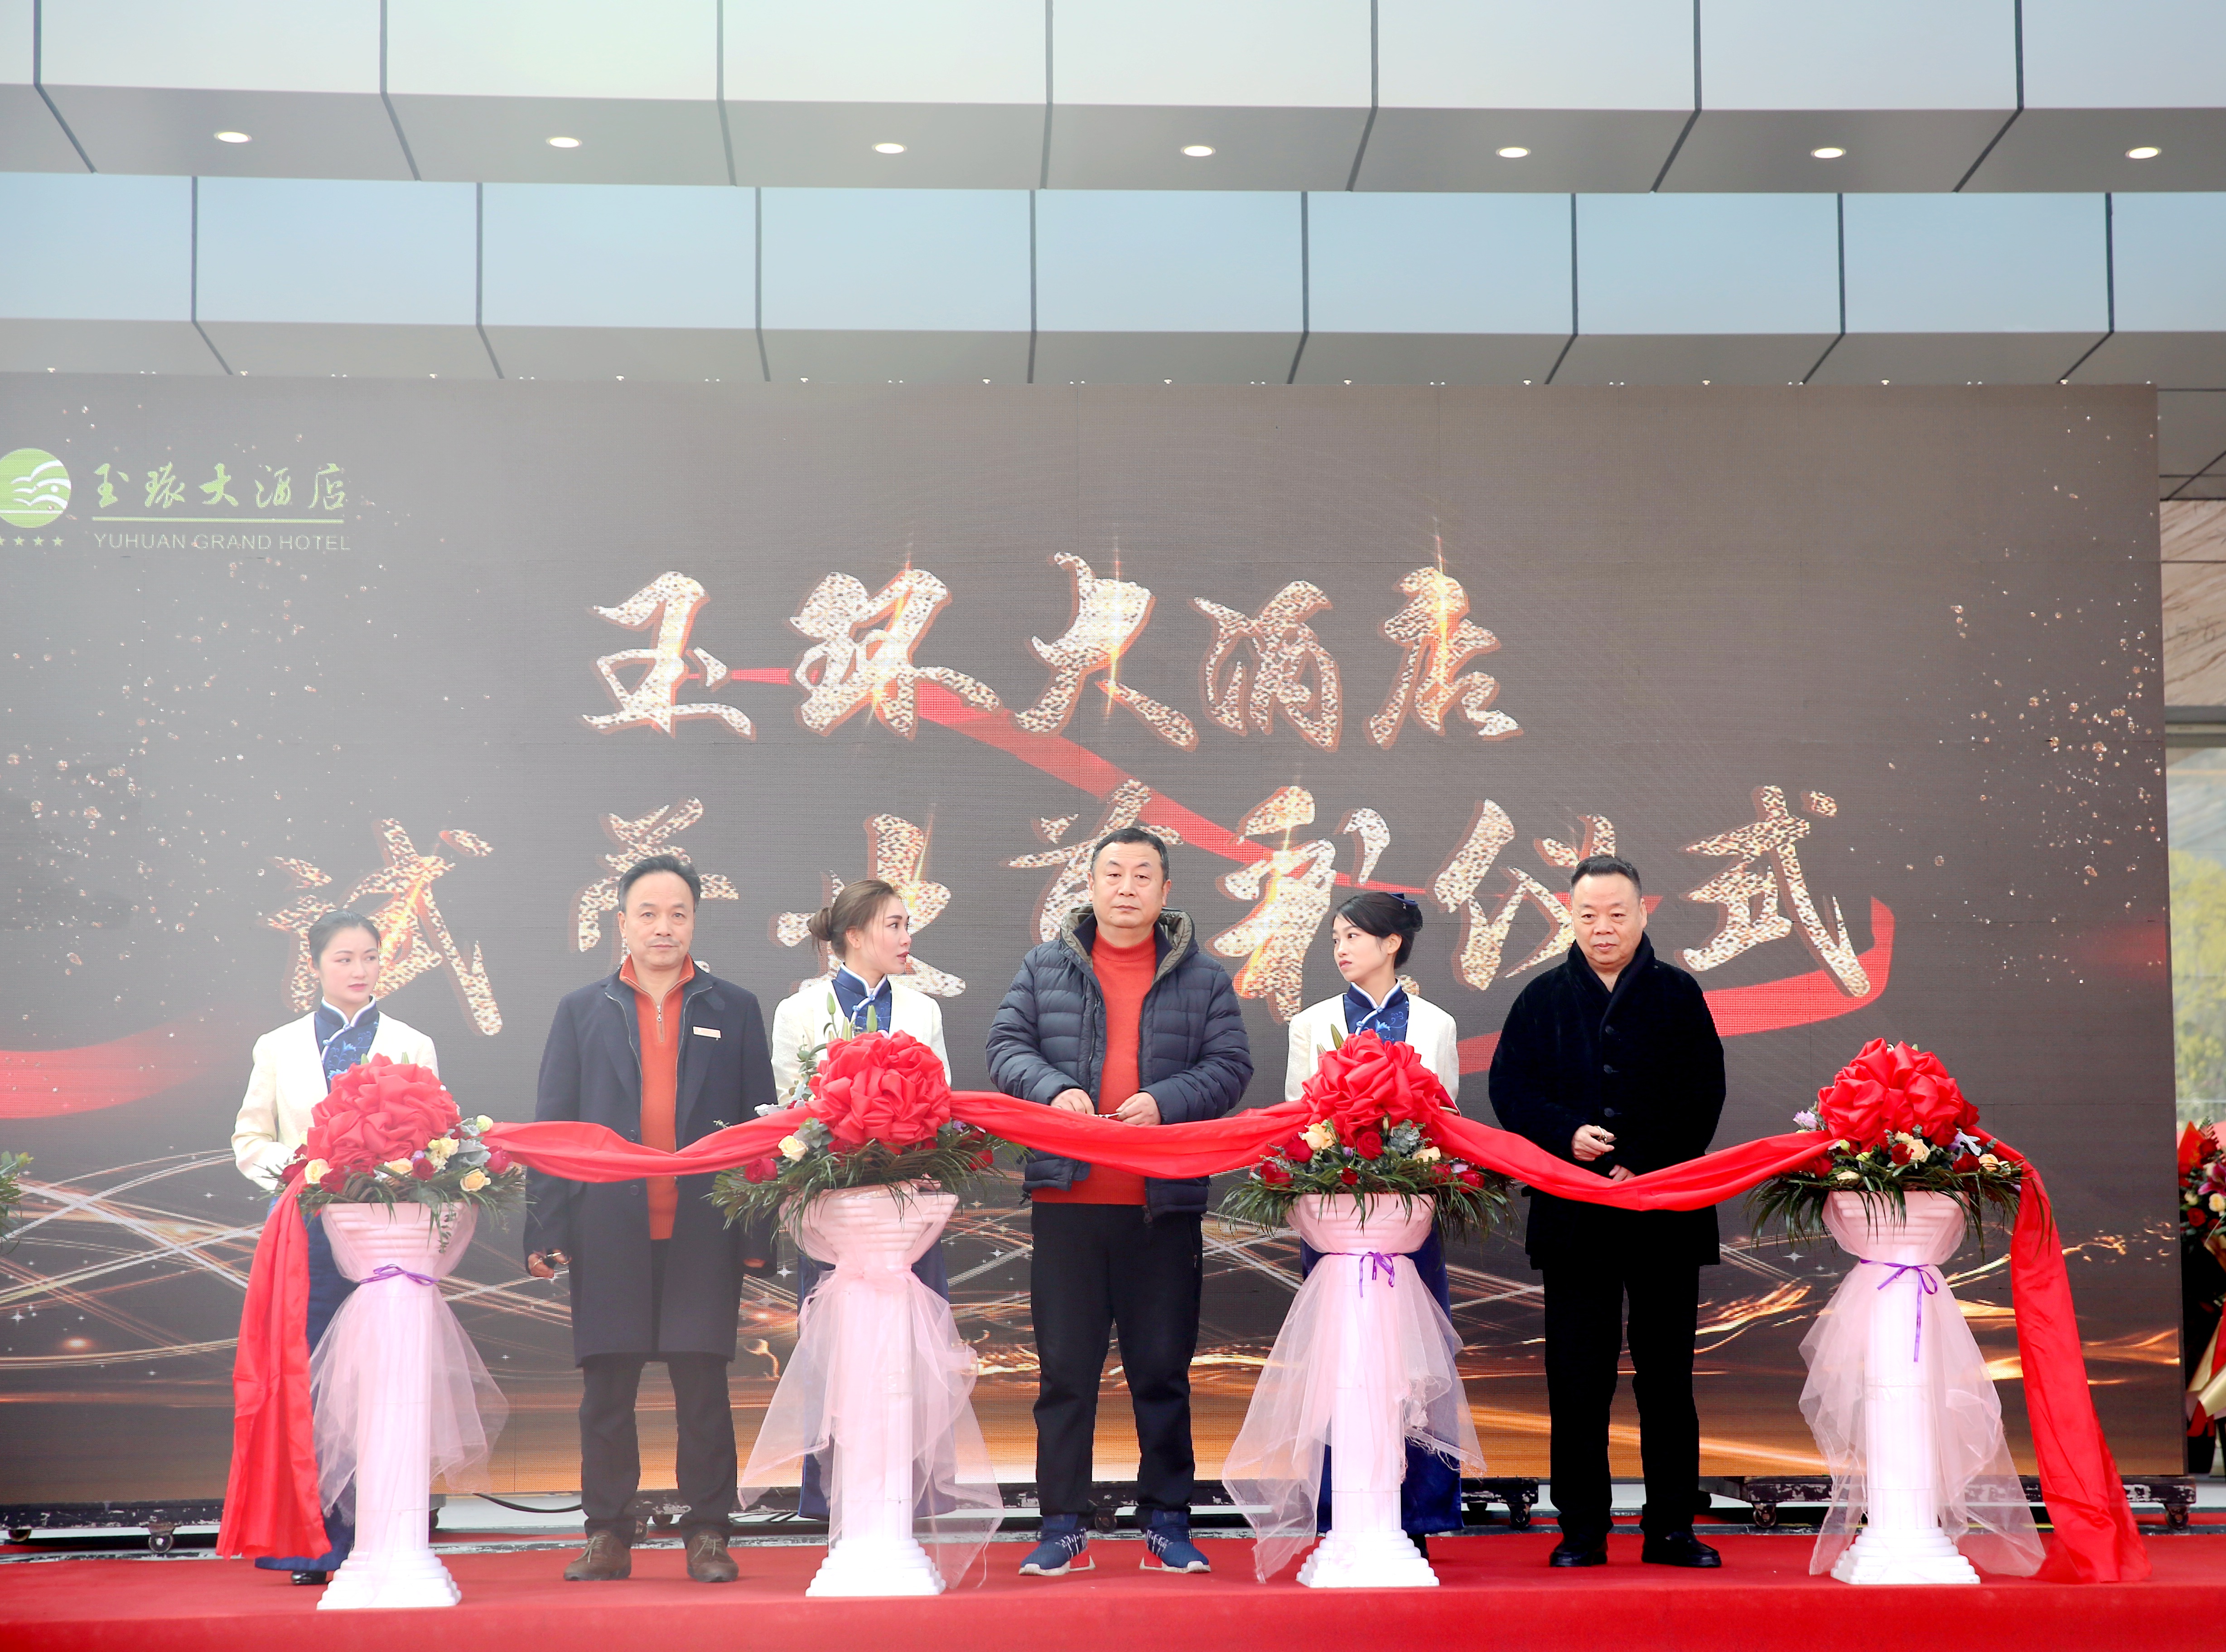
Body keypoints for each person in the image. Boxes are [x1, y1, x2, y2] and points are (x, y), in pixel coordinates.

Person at [986, 826, 1252, 1579]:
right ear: (1091, 884)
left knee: (1161, 1371)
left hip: (1159, 1208)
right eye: (1113, 873)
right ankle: (1061, 1524)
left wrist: (1164, 1101)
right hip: (1068, 1200)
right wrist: (1054, 1089)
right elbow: (1005, 1047)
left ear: (1165, 891)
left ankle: (1167, 1520)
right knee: (1064, 1373)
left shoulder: (1203, 976)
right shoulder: (1045, 966)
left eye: (1142, 874)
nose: (1126, 886)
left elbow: (1231, 1065)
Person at [525, 855, 777, 1585]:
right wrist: (547, 1228)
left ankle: (709, 1531)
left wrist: (757, 1232)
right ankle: (607, 1531)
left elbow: (760, 1127)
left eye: (677, 913)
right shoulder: (582, 1008)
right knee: (607, 1389)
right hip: (608, 1225)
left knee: (703, 1389)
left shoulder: (734, 1006)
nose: (663, 926)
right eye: (648, 913)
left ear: (694, 921)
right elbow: (554, 1125)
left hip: (704, 1225)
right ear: (623, 922)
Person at [1487, 854, 1726, 1570]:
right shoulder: (1540, 998)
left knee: (1667, 1377)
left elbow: (1704, 1093)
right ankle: (1582, 1529)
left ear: (1642, 913)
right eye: (1587, 914)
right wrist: (1566, 1133)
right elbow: (1509, 1090)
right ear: (1569, 915)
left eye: (1616, 914)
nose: (1602, 928)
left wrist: (1641, 1158)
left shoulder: (1678, 994)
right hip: (1574, 1215)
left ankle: (1670, 1527)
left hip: (1663, 1212)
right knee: (1576, 1376)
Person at [231, 909, 438, 1585]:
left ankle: (388, 1530)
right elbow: (249, 1138)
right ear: (315, 965)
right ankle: (316, 1541)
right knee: (311, 1376)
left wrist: (397, 1172)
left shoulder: (412, 1043)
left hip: (387, 1231)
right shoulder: (279, 1046)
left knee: (385, 1378)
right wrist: (297, 1168)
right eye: (344, 958)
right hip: (306, 1233)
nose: (359, 969)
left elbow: (438, 1136)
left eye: (369, 957)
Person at [1283, 889, 1463, 1554]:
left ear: (1392, 944)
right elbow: (1298, 1129)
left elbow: (1446, 1126)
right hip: (1336, 1226)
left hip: (1407, 1227)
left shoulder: (1435, 1024)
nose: (1341, 948)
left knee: (1413, 1368)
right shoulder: (1312, 1023)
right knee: (1341, 1366)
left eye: (1354, 936)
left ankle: (1414, 1516)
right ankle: (1342, 1513)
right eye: (1336, 937)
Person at [768, 877, 953, 1519]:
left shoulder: (922, 1010)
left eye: (907, 925)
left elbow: (941, 1108)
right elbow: (793, 1115)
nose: (906, 937)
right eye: (894, 925)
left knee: (908, 1358)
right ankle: (832, 1497)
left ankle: (905, 1494)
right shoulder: (800, 1010)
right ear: (853, 934)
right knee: (836, 1355)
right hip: (835, 1215)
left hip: (906, 1214)